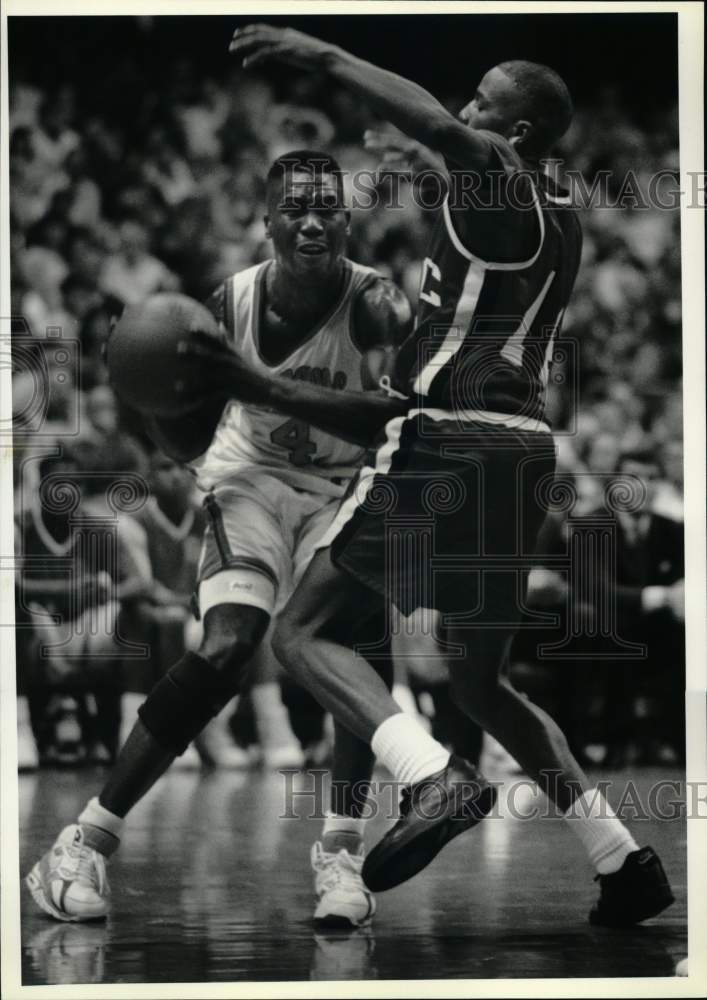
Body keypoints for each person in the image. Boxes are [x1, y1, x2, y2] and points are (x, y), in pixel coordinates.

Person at [186, 27, 672, 926]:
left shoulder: (496, 175)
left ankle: (433, 776)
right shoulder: (555, 210)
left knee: (301, 635)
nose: (467, 108)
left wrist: (317, 54)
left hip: (446, 440)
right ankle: (621, 857)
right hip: (522, 452)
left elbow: (450, 135)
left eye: (484, 101)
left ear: (515, 133)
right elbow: (456, 162)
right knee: (481, 684)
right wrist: (423, 154)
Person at [26, 150, 412, 928]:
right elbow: (182, 436)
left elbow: (384, 420)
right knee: (226, 648)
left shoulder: (375, 304)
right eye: (294, 207)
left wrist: (256, 384)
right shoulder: (223, 304)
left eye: (327, 207)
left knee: (350, 654)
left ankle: (338, 852)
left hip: (342, 490)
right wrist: (153, 397)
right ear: (266, 221)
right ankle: (81, 843)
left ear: (347, 218)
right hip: (248, 483)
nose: (312, 219)